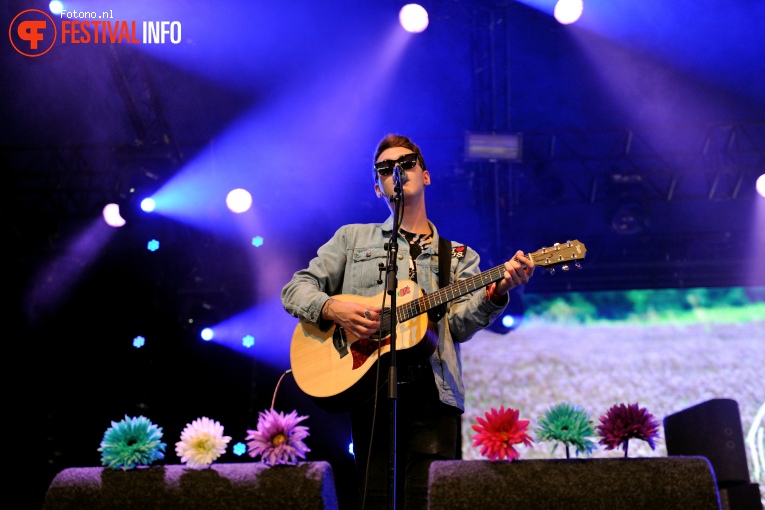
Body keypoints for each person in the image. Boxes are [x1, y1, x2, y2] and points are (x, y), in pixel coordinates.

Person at [281, 133, 535, 509]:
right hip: (371, 388)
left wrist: (495, 292)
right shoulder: (353, 240)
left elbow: (460, 326)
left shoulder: (459, 256)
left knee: (430, 500)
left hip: (436, 393)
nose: (396, 171)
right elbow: (295, 289)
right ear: (378, 187)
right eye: (385, 169)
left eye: (406, 163)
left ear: (426, 175)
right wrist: (333, 309)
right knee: (376, 500)